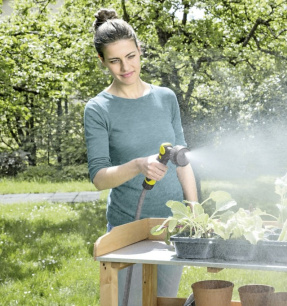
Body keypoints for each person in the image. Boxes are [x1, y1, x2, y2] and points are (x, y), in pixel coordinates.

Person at [84, 8, 198, 304]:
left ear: (139, 50)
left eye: (131, 56)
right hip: (127, 229)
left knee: (164, 300)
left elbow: (182, 158)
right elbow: (98, 178)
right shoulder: (98, 109)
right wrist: (137, 165)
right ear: (102, 61)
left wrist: (195, 209)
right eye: (115, 60)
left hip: (173, 227)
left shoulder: (166, 98)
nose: (125, 67)